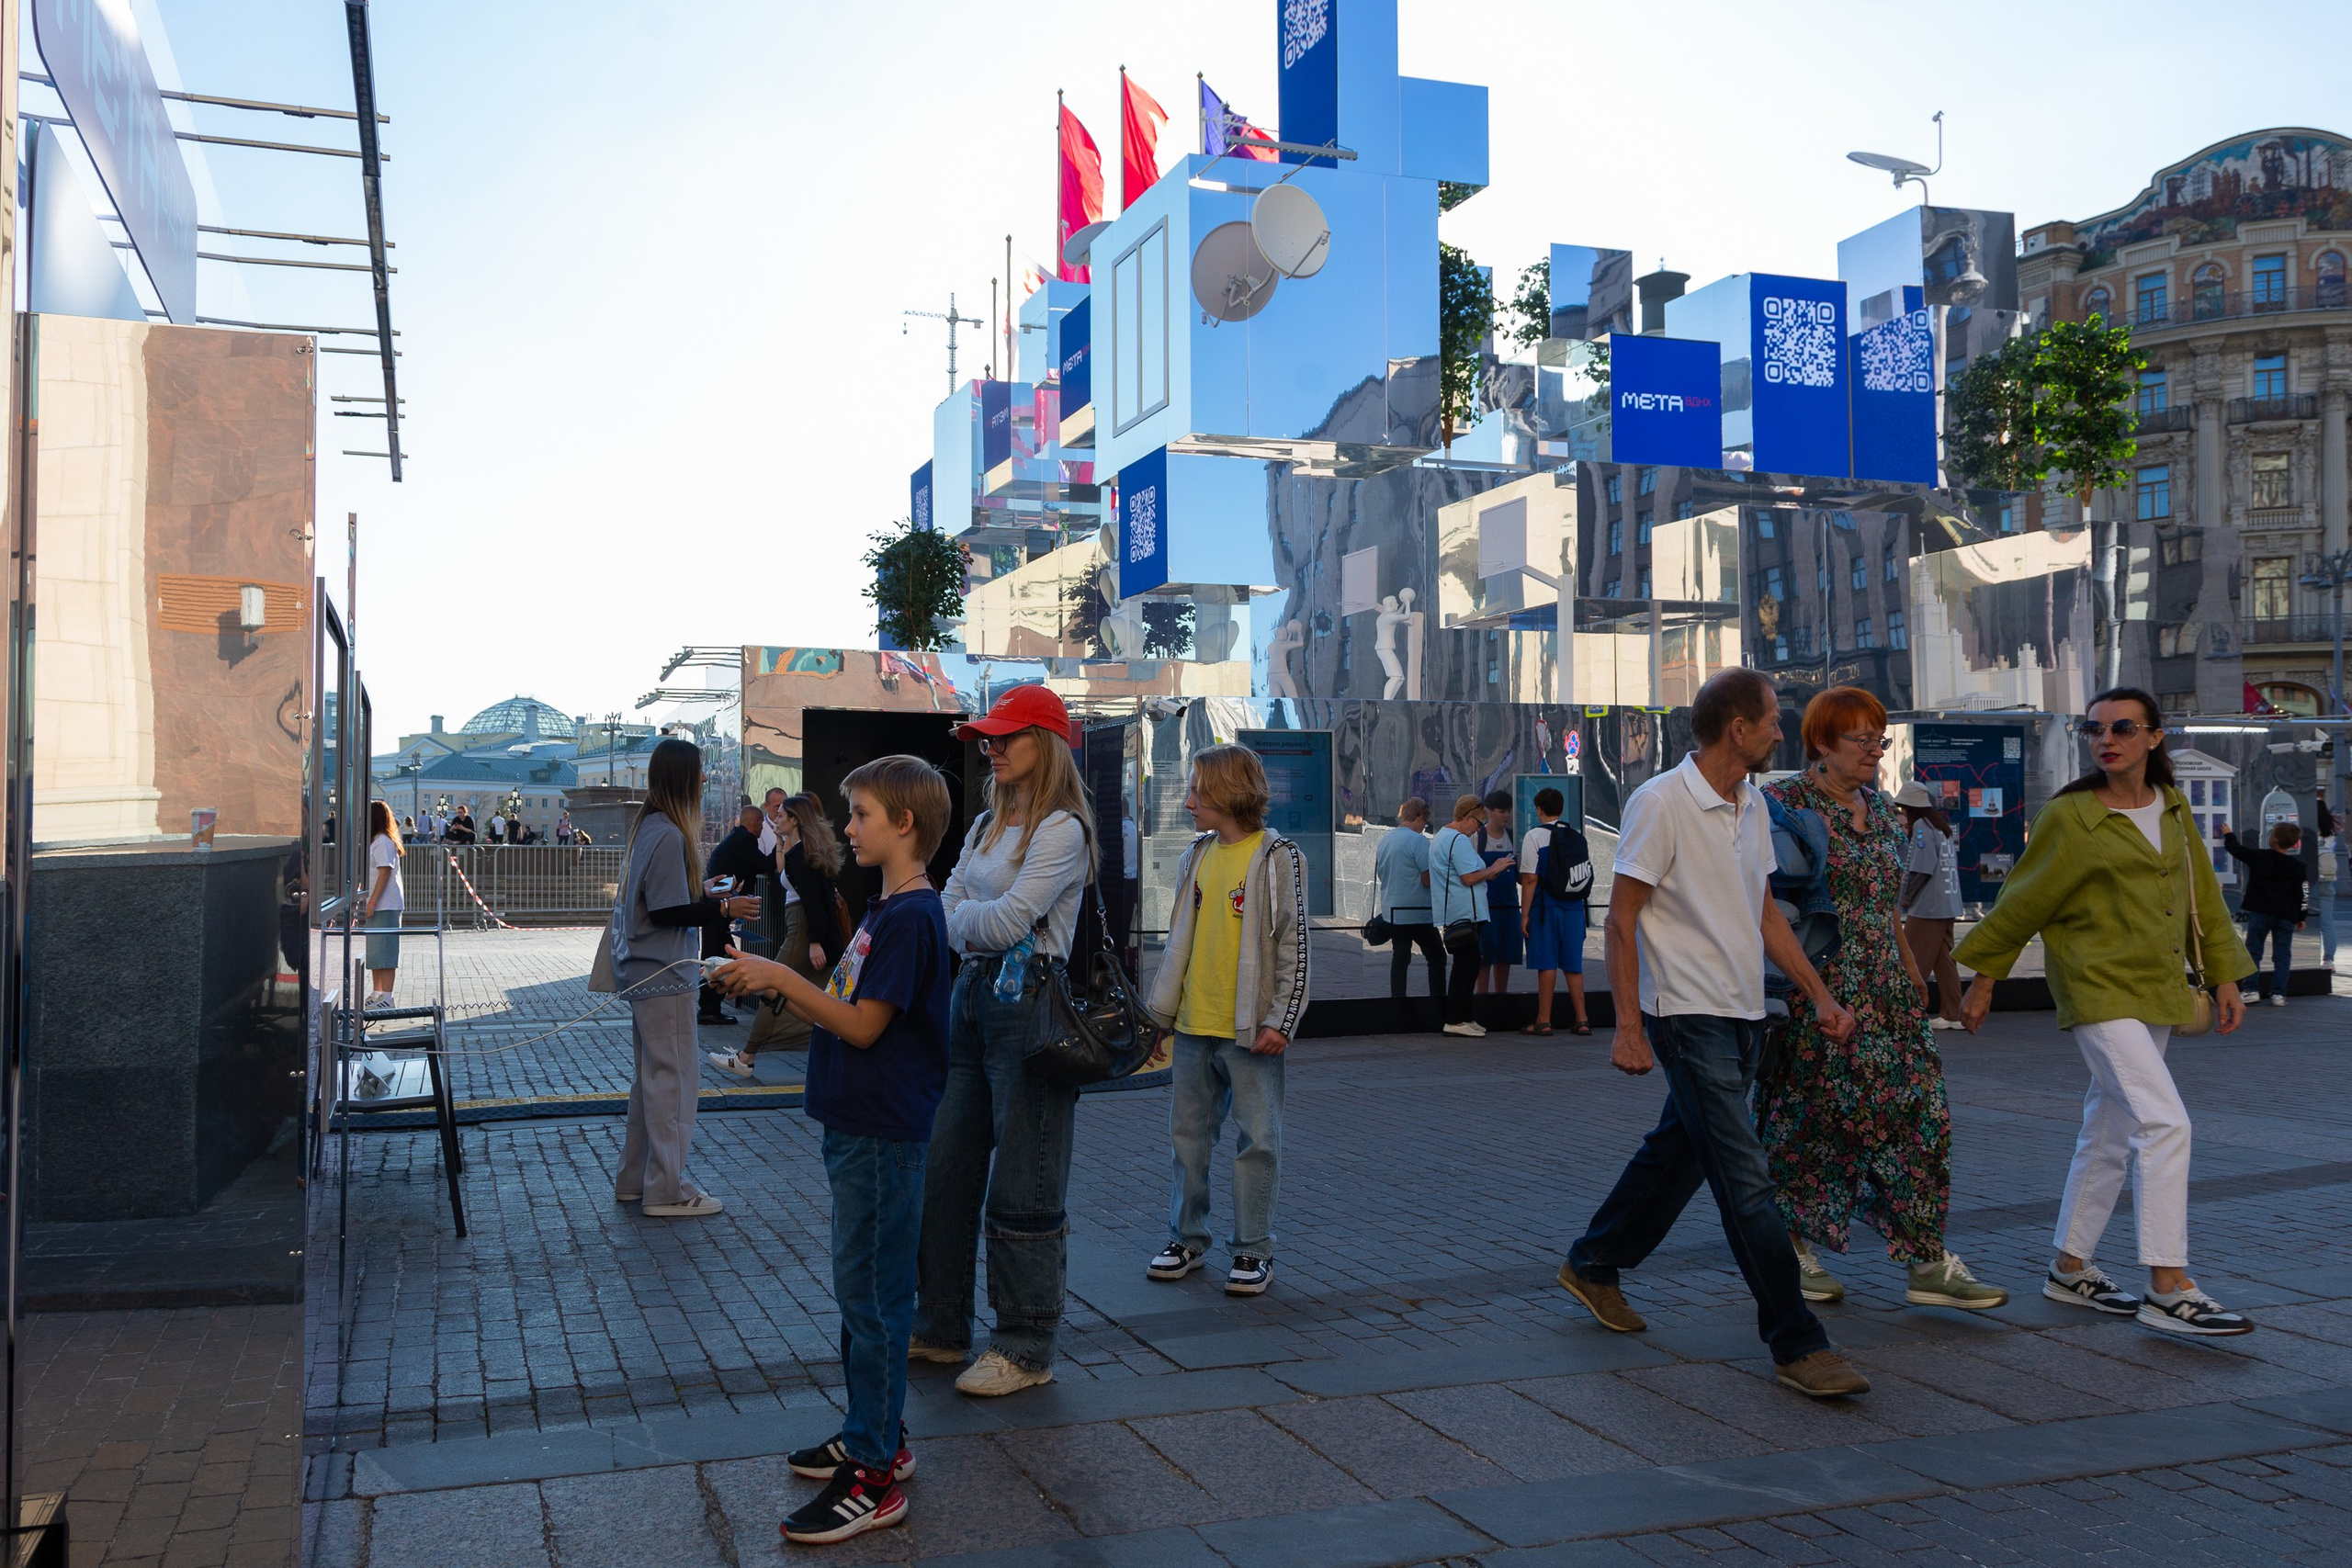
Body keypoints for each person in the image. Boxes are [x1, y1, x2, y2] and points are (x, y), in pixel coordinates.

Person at [1555, 669, 1873, 1399]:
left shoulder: (1752, 804)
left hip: (1744, 1011)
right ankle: (1797, 1341)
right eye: (1770, 719)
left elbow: (1764, 914)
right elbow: (1621, 919)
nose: (1777, 731)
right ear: (1739, 728)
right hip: (1686, 1013)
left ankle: (1594, 1262)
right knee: (1745, 1178)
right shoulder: (1661, 801)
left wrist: (1818, 993)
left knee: (1681, 1152)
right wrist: (1628, 1026)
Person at [1956, 686, 2256, 1337]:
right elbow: (2021, 902)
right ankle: (2168, 1283)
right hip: (2094, 986)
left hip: (2156, 985)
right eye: (2093, 728)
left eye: (2122, 727)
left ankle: (2070, 1266)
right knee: (2165, 1122)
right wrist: (1985, 980)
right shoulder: (2073, 816)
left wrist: (2226, 975)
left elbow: (2203, 895)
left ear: (2154, 737)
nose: (2105, 738)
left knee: (2111, 1129)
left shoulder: (2173, 809)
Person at [710, 756, 953, 1544]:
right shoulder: (891, 909)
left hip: (882, 1133)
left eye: (861, 815)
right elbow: (846, 1006)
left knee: (875, 1302)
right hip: (861, 1127)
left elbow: (861, 1024)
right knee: (863, 1297)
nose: (847, 828)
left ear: (904, 824)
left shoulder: (912, 917)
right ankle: (871, 1428)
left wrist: (776, 972)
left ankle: (875, 1473)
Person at [1759, 689, 2007, 1314]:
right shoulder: (1783, 806)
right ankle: (1788, 1247)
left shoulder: (1883, 807)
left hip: (1890, 994)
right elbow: (1766, 909)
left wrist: (1909, 970)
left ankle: (1927, 1261)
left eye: (1880, 739)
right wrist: (1808, 990)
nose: (1874, 750)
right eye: (1860, 739)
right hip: (1822, 985)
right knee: (1816, 1119)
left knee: (1923, 1119)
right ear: (1821, 742)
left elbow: (1887, 906)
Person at [916, 685, 1095, 1397]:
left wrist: (962, 917)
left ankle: (1025, 1344)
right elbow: (954, 902)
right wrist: (967, 917)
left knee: (1025, 1179)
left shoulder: (1063, 828)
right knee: (945, 1168)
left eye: (1005, 736)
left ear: (1044, 743)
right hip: (972, 1000)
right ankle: (940, 1323)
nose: (990, 746)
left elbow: (1001, 919)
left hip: (1030, 1004)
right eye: (987, 737)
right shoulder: (990, 819)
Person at [1143, 746, 1310, 1297]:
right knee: (1187, 1138)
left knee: (1257, 1139)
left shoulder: (1278, 856)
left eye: (1198, 792)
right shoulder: (1197, 853)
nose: (1189, 802)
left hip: (1250, 1029)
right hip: (1193, 1023)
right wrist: (1160, 1017)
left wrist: (1282, 1019)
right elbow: (1178, 941)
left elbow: (1294, 945)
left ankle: (1253, 1250)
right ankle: (1185, 1238)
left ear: (1229, 793)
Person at [609, 737, 761, 1220]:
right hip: (664, 972)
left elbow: (660, 898)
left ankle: (637, 1180)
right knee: (674, 1082)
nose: (702, 780)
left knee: (650, 1081)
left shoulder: (649, 827)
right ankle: (666, 1189)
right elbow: (668, 909)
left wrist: (704, 891)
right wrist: (722, 906)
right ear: (683, 777)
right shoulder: (671, 833)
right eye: (697, 772)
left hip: (641, 968)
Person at [714, 792, 847, 1076]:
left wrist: (813, 941)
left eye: (782, 816)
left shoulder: (803, 855)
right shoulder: (801, 850)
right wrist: (778, 839)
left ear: (795, 820)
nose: (775, 819)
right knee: (822, 995)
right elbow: (781, 868)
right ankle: (840, 1042)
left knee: (769, 985)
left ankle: (747, 1056)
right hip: (801, 926)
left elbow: (813, 901)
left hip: (802, 928)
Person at [1429, 795, 1512, 1038]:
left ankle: (1464, 1017)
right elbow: (1468, 878)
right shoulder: (1458, 840)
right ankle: (1455, 1019)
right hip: (1464, 912)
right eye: (1477, 823)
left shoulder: (1443, 837)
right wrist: (1494, 869)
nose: (1478, 828)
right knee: (1466, 967)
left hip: (1457, 911)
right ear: (1466, 818)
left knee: (1468, 965)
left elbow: (1469, 874)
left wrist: (1489, 872)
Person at [1518, 787, 1591, 1036]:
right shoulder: (1575, 835)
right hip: (1573, 908)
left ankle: (1543, 1020)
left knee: (1547, 963)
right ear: (1561, 809)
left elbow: (1530, 878)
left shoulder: (1534, 836)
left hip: (1545, 908)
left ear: (1539, 809)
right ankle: (1582, 1019)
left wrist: (1524, 914)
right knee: (1573, 964)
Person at [1894, 782, 1965, 1030]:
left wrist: (1906, 897)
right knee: (1945, 961)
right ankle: (1953, 1014)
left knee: (1911, 958)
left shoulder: (1922, 827)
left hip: (1929, 906)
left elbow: (1922, 868)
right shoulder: (1940, 827)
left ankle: (1905, 1015)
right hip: (1947, 902)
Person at [699, 805, 775, 1026]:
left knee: (717, 954)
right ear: (755, 823)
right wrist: (783, 844)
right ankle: (709, 1010)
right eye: (761, 823)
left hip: (715, 907)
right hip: (717, 909)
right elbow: (766, 864)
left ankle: (710, 1008)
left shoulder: (737, 838)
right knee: (717, 957)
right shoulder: (745, 841)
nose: (763, 827)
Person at [1374, 798, 1444, 1029]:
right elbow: (1427, 879)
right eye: (1425, 821)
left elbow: (1381, 874)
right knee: (1436, 957)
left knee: (1400, 957)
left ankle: (1398, 1006)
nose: (1425, 826)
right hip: (1418, 911)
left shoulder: (1385, 839)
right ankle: (1438, 1006)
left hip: (1393, 911)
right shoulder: (1418, 841)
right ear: (1420, 817)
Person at [2222, 820, 2307, 1007]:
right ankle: (2279, 994)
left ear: (2274, 840)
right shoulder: (2298, 867)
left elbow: (2237, 850)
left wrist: (2228, 834)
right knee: (2282, 955)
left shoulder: (2261, 858)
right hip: (2286, 916)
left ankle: (2251, 989)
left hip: (2261, 912)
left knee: (2253, 952)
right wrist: (2301, 917)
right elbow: (2304, 893)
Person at [1475, 789, 1522, 997]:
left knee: (1506, 955)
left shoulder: (1514, 837)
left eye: (1509, 811)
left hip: (1510, 906)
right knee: (1484, 956)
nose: (1506, 815)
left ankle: (1500, 999)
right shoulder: (1478, 838)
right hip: (1486, 908)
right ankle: (1483, 999)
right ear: (1489, 812)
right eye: (1501, 811)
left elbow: (1521, 875)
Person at [363, 800, 404, 1010]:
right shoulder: (377, 841)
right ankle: (378, 992)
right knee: (376, 951)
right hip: (380, 903)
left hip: (385, 904)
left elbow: (384, 872)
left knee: (385, 950)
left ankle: (387, 996)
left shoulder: (382, 842)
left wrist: (372, 900)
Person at [2316, 794, 2340, 971]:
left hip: (2308, 882)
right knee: (2327, 922)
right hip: (2327, 879)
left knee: (2300, 918)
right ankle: (2329, 960)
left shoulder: (2306, 830)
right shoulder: (2331, 832)